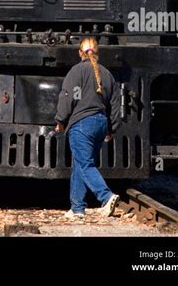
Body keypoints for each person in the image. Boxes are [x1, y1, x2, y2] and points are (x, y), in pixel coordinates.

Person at [55, 37, 121, 220]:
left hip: (81, 124)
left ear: (80, 52)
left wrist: (60, 119)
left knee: (85, 164)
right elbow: (116, 105)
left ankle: (106, 197)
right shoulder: (107, 74)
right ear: (97, 52)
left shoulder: (76, 71)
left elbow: (67, 96)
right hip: (101, 124)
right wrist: (112, 128)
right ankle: (77, 208)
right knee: (80, 163)